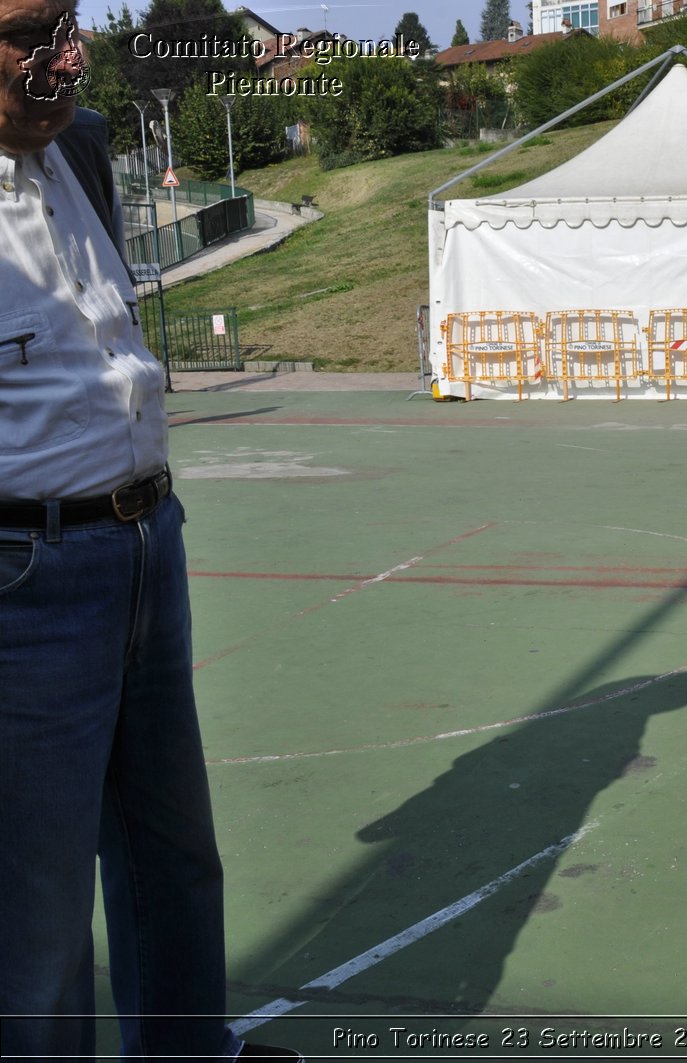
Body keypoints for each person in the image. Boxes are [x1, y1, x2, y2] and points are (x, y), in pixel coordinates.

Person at [0, 1, 298, 1058]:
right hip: (24, 578)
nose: (68, 56)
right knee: (33, 918)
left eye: (70, 22)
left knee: (171, 853)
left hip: (142, 542)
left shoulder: (76, 147)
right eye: (32, 30)